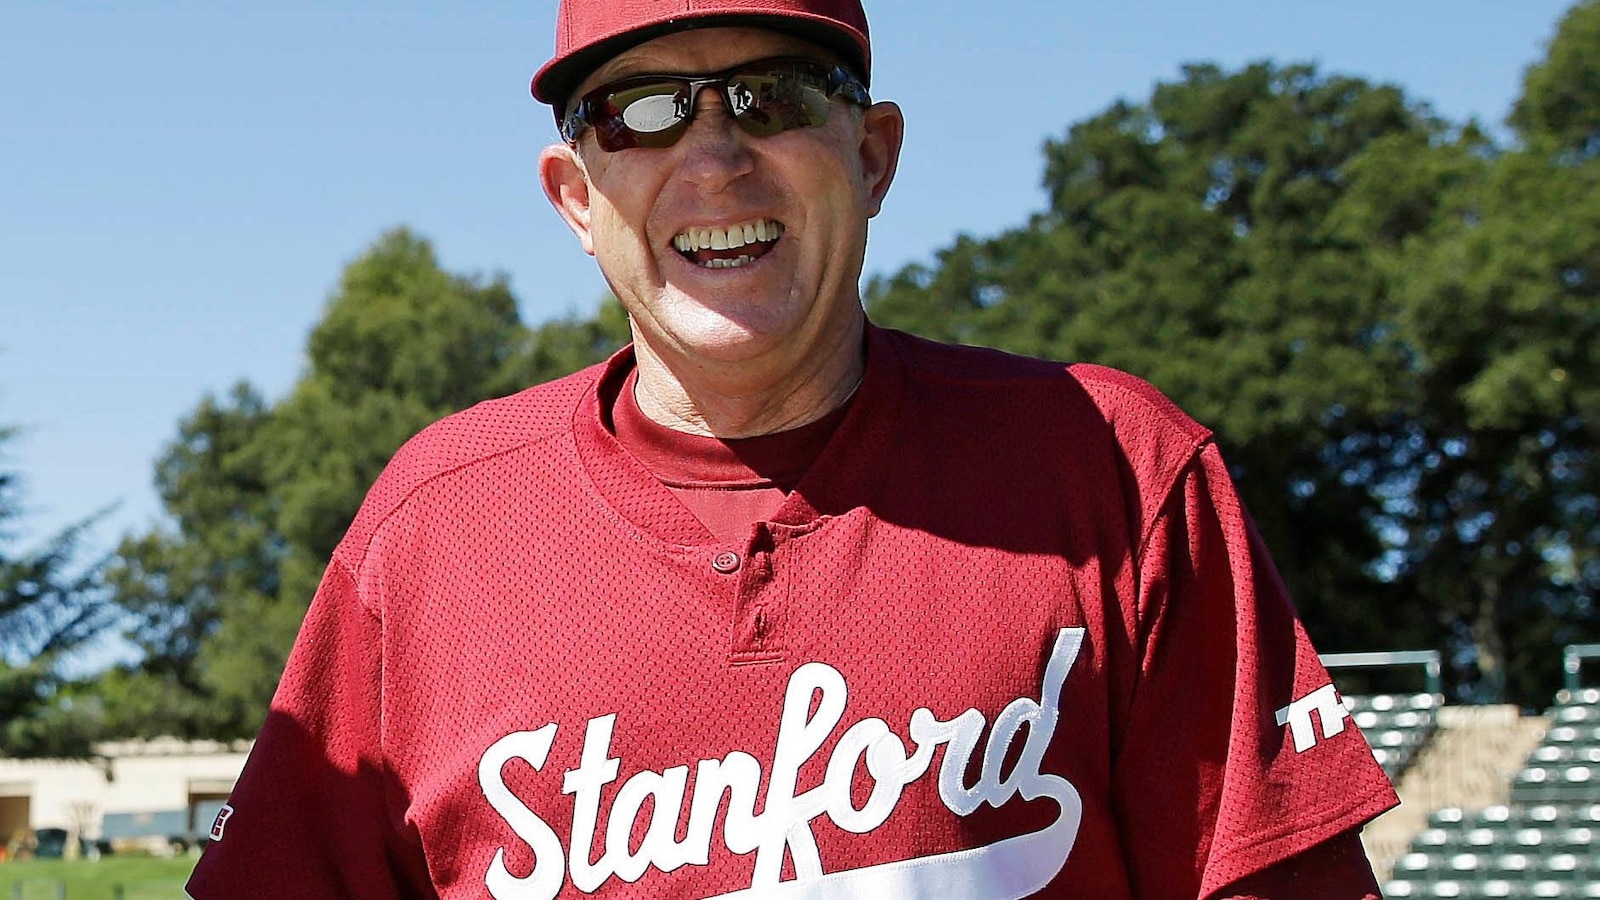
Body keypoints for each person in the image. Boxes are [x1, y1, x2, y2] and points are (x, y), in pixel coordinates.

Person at [186, 1, 1399, 897]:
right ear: (573, 195)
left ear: (872, 156)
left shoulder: (1114, 467)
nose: (714, 158)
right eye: (642, 111)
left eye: (771, 95)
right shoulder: (433, 530)